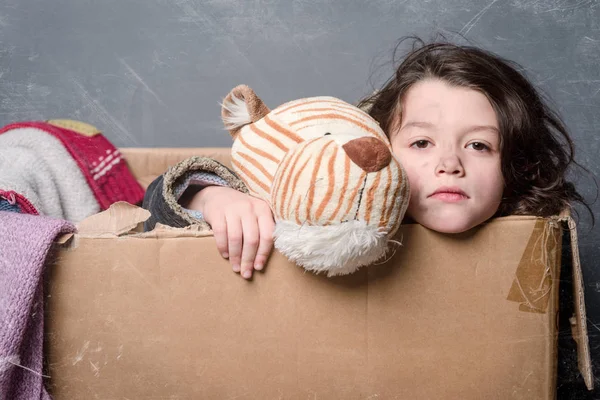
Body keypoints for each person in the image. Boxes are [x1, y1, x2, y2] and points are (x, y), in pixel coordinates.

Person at [142, 37, 590, 280]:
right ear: (377, 149)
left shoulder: (532, 248)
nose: (450, 163)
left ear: (515, 165)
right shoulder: (327, 200)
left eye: (478, 145)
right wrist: (214, 199)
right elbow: (153, 204)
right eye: (421, 144)